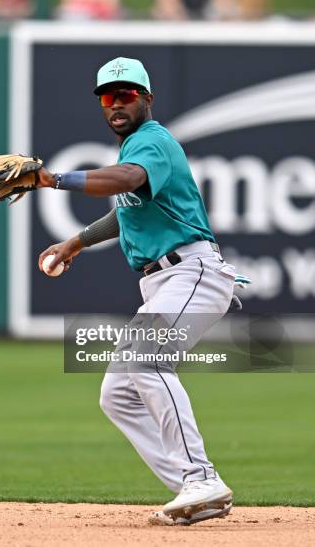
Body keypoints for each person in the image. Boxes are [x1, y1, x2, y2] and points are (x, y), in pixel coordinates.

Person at [36, 57, 236, 526]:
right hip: (166, 280)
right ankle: (196, 490)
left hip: (193, 273)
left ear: (147, 98)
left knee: (146, 358)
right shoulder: (134, 150)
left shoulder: (152, 142)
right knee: (118, 393)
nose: (118, 103)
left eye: (127, 94)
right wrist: (75, 241)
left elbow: (126, 181)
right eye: (109, 96)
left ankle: (200, 477)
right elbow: (126, 207)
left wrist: (56, 178)